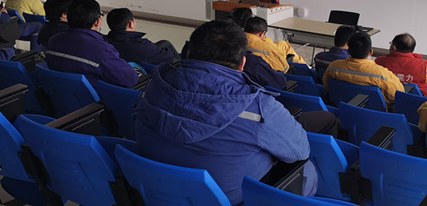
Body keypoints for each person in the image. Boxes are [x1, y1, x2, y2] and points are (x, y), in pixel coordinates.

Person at [134, 19, 317, 206]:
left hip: (159, 194)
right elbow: (300, 151)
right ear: (242, 63)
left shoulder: (153, 87)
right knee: (307, 171)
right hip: (232, 201)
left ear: (188, 53)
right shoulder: (259, 108)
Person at [45, 0, 139, 88]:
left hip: (61, 92)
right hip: (94, 97)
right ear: (97, 22)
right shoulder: (102, 49)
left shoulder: (54, 40)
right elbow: (130, 79)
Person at [322, 31, 404, 106]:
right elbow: (398, 96)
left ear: (348, 51)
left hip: (341, 108)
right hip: (375, 114)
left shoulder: (334, 67)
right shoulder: (382, 74)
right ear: (371, 52)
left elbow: (327, 86)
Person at [374, 33, 427, 97]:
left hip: (387, 101)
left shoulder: (380, 61)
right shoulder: (424, 65)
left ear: (393, 48)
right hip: (416, 103)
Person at [105, 7, 179, 66]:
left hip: (128, 57)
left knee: (165, 43)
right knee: (173, 55)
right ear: (130, 24)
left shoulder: (104, 41)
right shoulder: (142, 46)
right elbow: (168, 57)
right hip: (145, 72)